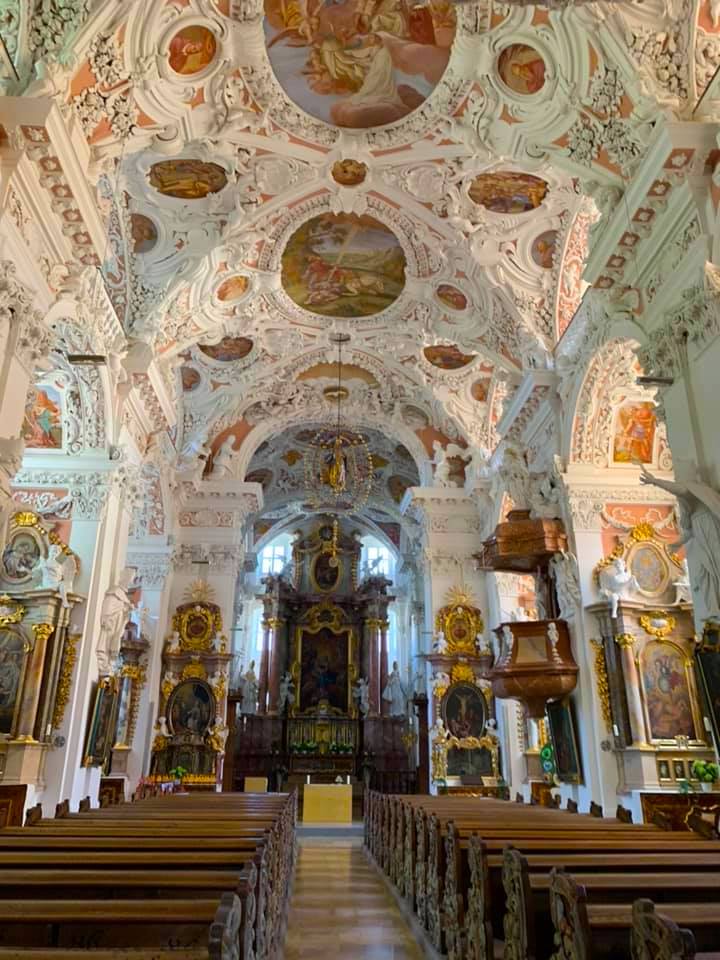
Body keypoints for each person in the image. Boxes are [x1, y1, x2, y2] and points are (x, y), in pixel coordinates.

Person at [641, 464, 720, 620]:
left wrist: (655, 481)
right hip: (702, 542)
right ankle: (713, 607)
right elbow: (690, 532)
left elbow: (680, 489)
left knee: (716, 565)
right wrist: (676, 544)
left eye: (680, 479)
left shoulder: (701, 492)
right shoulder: (692, 510)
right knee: (703, 572)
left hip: (712, 537)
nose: (680, 483)